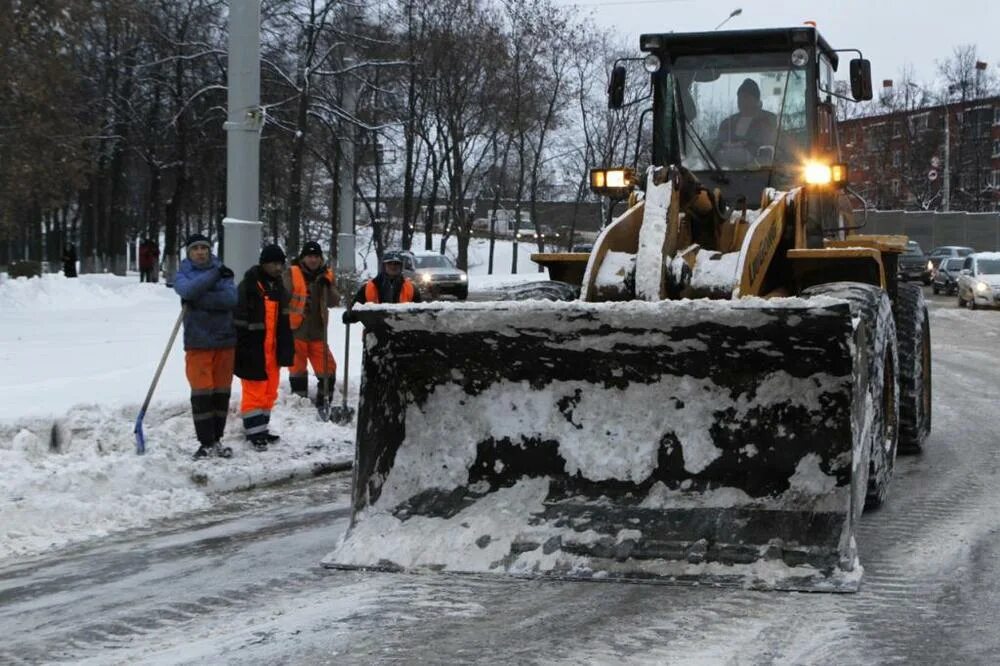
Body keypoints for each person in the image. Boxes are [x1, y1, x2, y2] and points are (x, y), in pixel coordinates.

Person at [173, 233, 238, 460]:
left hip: (225, 341)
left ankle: (217, 439)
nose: (200, 251)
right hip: (198, 343)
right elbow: (188, 291)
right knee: (201, 393)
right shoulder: (184, 273)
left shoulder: (224, 272)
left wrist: (200, 299)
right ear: (189, 253)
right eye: (195, 248)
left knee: (221, 394)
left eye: (204, 247)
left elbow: (230, 299)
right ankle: (205, 442)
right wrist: (213, 278)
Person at [234, 244, 295, 451]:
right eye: (274, 263)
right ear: (264, 264)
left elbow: (284, 323)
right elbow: (238, 320)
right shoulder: (248, 286)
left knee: (269, 391)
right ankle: (254, 433)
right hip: (253, 349)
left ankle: (261, 429)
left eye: (281, 264)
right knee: (254, 392)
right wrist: (243, 346)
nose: (278, 268)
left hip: (273, 350)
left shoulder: (278, 288)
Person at [283, 241, 341, 406]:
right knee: (297, 369)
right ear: (303, 258)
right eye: (309, 256)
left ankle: (324, 401)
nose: (313, 260)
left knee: (328, 368)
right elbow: (283, 296)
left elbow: (334, 301)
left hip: (318, 332)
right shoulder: (291, 273)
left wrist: (328, 286)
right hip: (297, 330)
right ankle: (300, 402)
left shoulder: (326, 276)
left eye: (316, 256)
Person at [342, 250, 422, 324]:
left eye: (396, 263)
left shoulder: (410, 288)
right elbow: (357, 309)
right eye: (389, 263)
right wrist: (350, 316)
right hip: (375, 331)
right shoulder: (369, 287)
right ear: (384, 266)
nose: (393, 266)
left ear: (401, 266)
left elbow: (420, 313)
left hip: (403, 331)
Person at [715, 78, 778, 167]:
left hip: (759, 174)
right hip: (725, 174)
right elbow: (717, 150)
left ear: (756, 100)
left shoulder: (768, 120)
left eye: (746, 97)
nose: (741, 101)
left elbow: (768, 146)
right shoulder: (727, 123)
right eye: (739, 97)